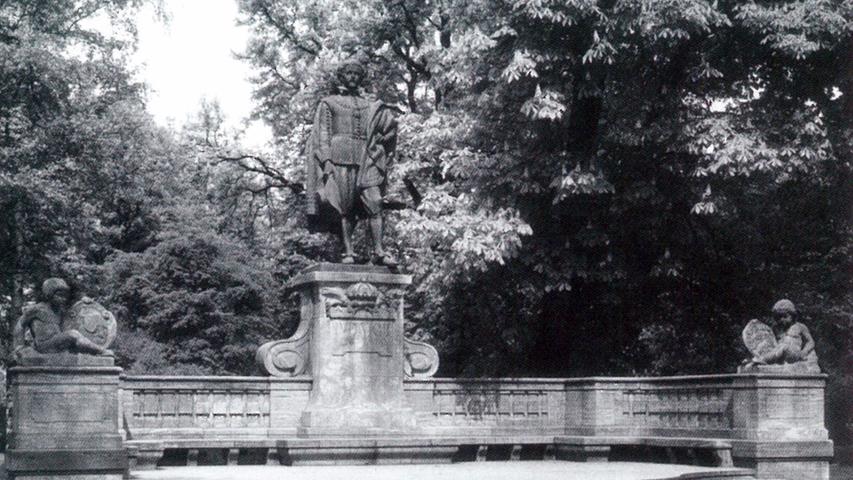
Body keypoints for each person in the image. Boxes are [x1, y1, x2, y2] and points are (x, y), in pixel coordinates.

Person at [306, 60, 399, 266]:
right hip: (340, 157)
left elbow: (389, 126)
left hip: (367, 158)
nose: (353, 77)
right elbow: (323, 133)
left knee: (375, 201)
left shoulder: (371, 105)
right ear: (342, 76)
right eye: (348, 73)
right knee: (344, 207)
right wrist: (326, 160)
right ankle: (349, 252)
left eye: (357, 74)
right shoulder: (329, 102)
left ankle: (379, 251)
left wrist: (386, 136)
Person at [12, 278, 112, 360]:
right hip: (44, 345)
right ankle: (100, 351)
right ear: (49, 294)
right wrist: (19, 347)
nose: (62, 299)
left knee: (74, 335)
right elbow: (20, 325)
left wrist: (84, 301)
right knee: (73, 334)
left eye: (64, 296)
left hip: (57, 345)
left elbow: (74, 314)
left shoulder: (60, 311)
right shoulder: (37, 309)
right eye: (59, 295)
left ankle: (94, 353)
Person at [749, 299, 818, 371]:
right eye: (778, 317)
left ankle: (763, 360)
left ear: (792, 316)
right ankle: (758, 359)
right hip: (780, 355)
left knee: (784, 346)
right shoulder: (776, 328)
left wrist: (804, 352)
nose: (782, 319)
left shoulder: (799, 327)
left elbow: (810, 342)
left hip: (794, 354)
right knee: (775, 347)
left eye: (785, 316)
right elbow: (770, 340)